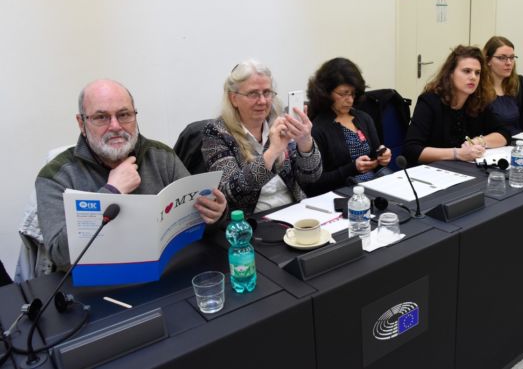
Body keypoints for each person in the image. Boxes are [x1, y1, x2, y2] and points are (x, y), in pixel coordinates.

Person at [35, 80, 227, 273]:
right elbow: (60, 256)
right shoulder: (55, 176)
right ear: (81, 123)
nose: (115, 126)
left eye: (124, 115)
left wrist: (216, 214)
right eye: (101, 117)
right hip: (99, 281)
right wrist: (111, 192)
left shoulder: (161, 156)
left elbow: (195, 222)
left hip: (168, 271)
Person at [201, 60, 322, 216]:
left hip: (294, 211)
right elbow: (229, 192)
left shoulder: (280, 121)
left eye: (267, 92)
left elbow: (311, 177)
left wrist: (305, 143)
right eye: (253, 94)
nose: (263, 101)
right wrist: (272, 153)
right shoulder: (216, 132)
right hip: (253, 220)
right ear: (234, 98)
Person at [403, 45, 510, 166]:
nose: (473, 77)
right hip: (431, 170)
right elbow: (411, 150)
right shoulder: (430, 101)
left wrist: (479, 141)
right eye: (466, 71)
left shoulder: (477, 101)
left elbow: (504, 134)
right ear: (450, 73)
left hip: (463, 169)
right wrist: (457, 153)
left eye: (477, 73)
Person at [304, 57, 392, 196]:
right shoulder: (317, 128)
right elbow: (315, 184)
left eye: (353, 93)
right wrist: (352, 168)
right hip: (343, 193)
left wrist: (383, 157)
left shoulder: (363, 118)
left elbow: (376, 156)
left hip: (374, 186)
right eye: (343, 94)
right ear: (326, 93)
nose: (350, 100)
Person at [483, 36, 523, 135]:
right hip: (493, 142)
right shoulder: (479, 87)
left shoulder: (520, 83)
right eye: (502, 58)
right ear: (488, 60)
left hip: (519, 140)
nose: (509, 63)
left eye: (512, 58)